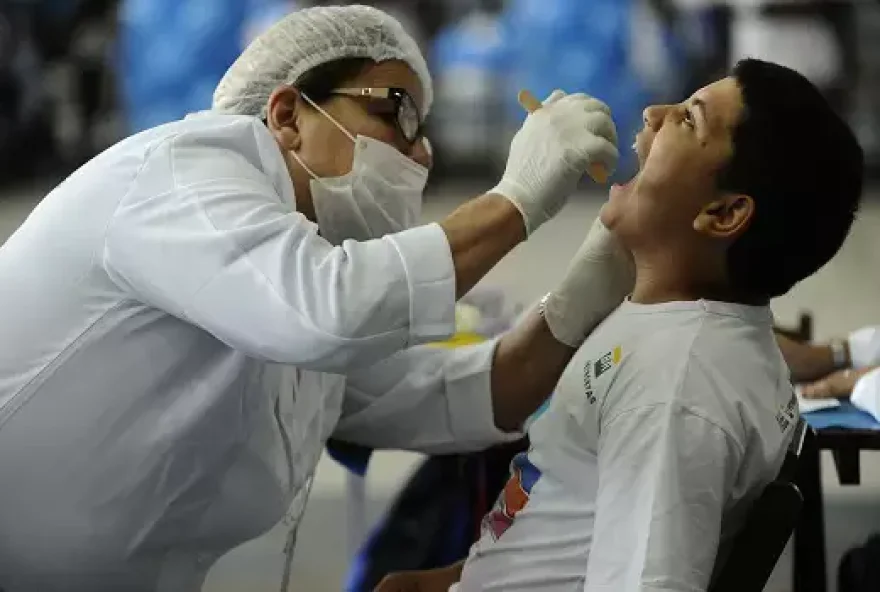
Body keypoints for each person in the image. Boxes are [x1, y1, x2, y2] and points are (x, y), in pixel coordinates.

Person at [0, 5, 631, 592]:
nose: (416, 154)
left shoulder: (297, 273)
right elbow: (328, 311)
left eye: (423, 134)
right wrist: (516, 200)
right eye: (395, 112)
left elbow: (461, 393)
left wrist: (585, 288)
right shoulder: (187, 171)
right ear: (285, 115)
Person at [376, 58, 864, 592]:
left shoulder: (673, 387)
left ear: (724, 214)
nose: (654, 113)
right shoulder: (680, 334)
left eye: (688, 120)